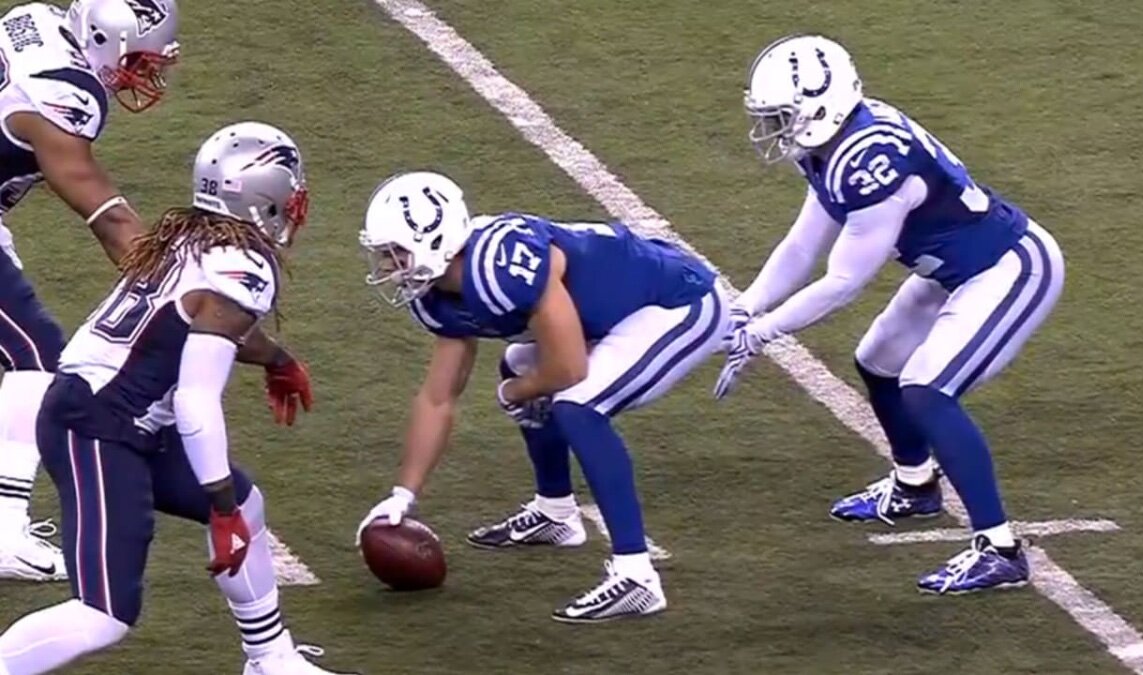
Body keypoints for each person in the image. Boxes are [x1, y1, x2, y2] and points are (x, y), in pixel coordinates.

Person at [716, 35, 1064, 594]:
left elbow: (843, 282)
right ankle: (914, 485)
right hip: (951, 269)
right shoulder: (837, 144)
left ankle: (999, 549)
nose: (773, 126)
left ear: (819, 108)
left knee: (926, 388)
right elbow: (802, 246)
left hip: (1007, 267)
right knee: (878, 361)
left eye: (782, 114)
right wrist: (745, 306)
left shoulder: (870, 159)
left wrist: (762, 333)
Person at [0, 122, 351, 675]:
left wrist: (276, 358)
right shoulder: (243, 267)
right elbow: (195, 399)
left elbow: (206, 323)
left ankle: (271, 659)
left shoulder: (188, 237)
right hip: (97, 424)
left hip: (116, 409)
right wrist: (220, 506)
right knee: (103, 614)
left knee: (249, 504)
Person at [0, 0, 311, 582]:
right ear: (104, 37)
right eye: (139, 61)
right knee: (35, 355)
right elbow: (113, 223)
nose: (143, 76)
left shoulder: (35, 20)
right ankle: (4, 527)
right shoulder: (67, 95)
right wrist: (193, 283)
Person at [355, 171, 728, 622]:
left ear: (434, 241)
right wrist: (402, 496)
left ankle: (636, 575)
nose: (388, 266)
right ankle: (557, 513)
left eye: (395, 252)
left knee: (577, 405)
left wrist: (516, 391)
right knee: (520, 364)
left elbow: (569, 367)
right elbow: (438, 398)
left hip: (677, 301)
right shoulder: (438, 294)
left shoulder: (501, 266)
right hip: (610, 316)